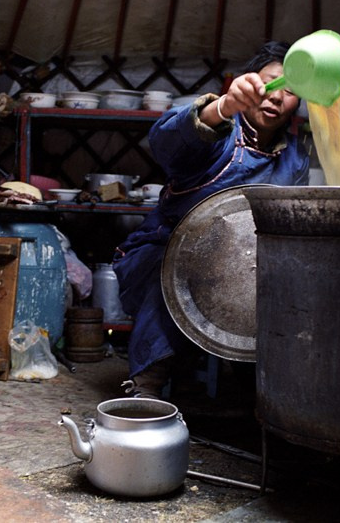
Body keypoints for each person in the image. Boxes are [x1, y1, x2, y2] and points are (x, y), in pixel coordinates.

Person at [112, 41, 309, 399]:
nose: (278, 96)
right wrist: (222, 107)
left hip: (248, 265)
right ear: (249, 83)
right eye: (271, 82)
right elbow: (165, 142)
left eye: (292, 91)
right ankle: (146, 391)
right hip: (168, 252)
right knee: (173, 274)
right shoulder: (219, 134)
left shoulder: (296, 155)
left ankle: (271, 398)